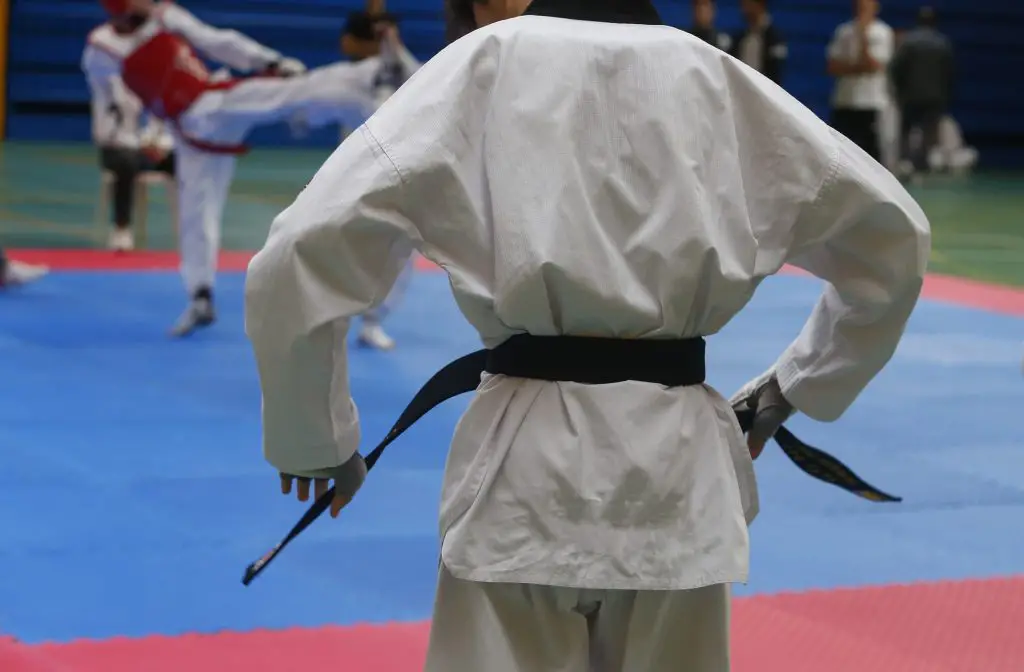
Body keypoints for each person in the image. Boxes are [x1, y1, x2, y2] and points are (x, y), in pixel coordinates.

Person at [244, 0, 931, 669]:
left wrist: (315, 438)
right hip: (676, 485)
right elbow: (896, 238)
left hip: (523, 477)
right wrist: (800, 381)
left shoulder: (479, 66)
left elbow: (298, 253)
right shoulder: (728, 83)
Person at [83, 0, 407, 337]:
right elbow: (112, 101)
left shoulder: (165, 16)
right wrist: (136, 137)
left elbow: (218, 41)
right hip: (188, 128)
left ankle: (369, 92)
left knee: (293, 90)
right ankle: (200, 295)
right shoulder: (101, 49)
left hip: (214, 103)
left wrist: (268, 61)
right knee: (196, 211)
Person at [335, 3, 423, 350]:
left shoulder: (406, 72)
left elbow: (417, 74)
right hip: (354, 179)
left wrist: (393, 44)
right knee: (345, 251)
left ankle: (372, 321)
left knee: (401, 250)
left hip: (398, 178)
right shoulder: (351, 78)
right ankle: (332, 316)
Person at [83, 33, 176, 252]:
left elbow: (165, 124)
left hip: (151, 151)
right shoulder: (108, 85)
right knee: (127, 161)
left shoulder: (156, 84)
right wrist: (141, 144)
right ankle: (122, 229)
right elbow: (106, 132)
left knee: (184, 159)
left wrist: (160, 144)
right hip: (117, 150)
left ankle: (192, 230)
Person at [889, 6, 954, 180]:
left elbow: (896, 68)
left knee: (906, 131)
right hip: (935, 97)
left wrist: (899, 90)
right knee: (928, 133)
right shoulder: (943, 43)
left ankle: (905, 165)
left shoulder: (909, 42)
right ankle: (921, 166)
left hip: (910, 95)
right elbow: (949, 73)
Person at [827, 0, 895, 162]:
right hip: (844, 101)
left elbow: (872, 66)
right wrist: (857, 68)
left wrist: (863, 36)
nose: (861, 9)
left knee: (871, 155)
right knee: (840, 153)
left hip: (870, 103)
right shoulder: (844, 31)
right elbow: (832, 66)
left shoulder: (883, 32)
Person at [732, 0, 786, 86]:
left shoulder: (775, 37)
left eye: (748, 4)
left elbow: (776, 72)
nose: (744, 9)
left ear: (760, 4)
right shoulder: (741, 38)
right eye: (743, 5)